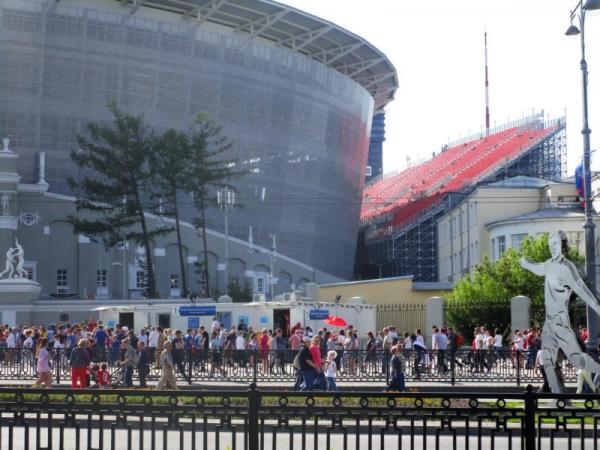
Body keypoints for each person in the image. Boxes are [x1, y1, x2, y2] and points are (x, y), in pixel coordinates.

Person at [521, 231, 600, 392]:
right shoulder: (549, 264)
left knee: (576, 359)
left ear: (563, 247)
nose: (553, 249)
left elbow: (583, 291)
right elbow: (538, 268)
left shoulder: (568, 268)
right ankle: (560, 397)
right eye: (551, 246)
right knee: (548, 361)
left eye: (556, 244)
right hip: (550, 323)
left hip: (563, 322)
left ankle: (565, 394)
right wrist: (525, 263)